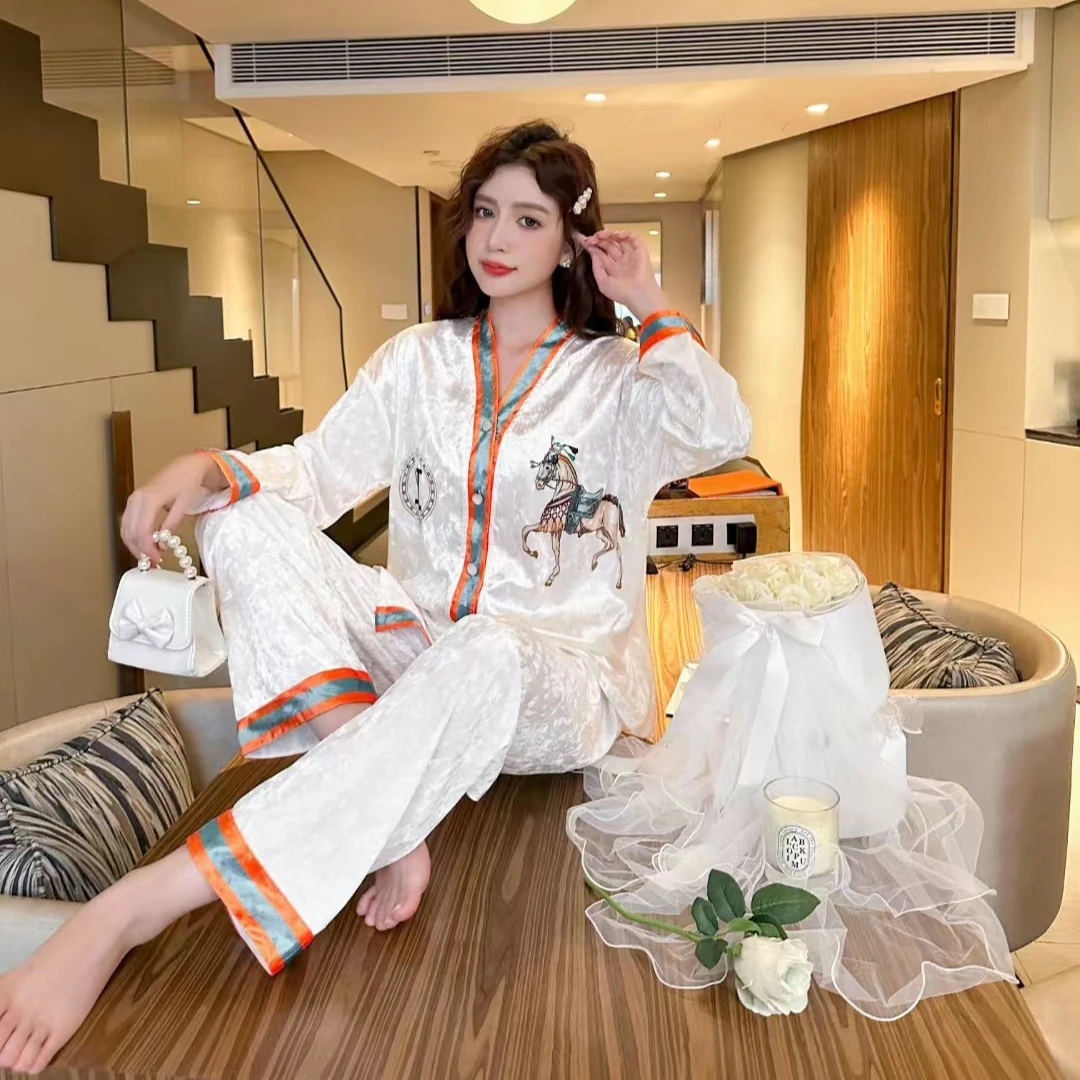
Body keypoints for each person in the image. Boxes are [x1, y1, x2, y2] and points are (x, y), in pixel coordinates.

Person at [0, 119, 750, 1073]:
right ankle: (391, 816)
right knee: (241, 517)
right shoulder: (418, 362)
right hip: (415, 651)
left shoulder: (616, 378)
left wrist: (645, 299)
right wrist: (205, 467)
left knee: (484, 646)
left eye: (529, 220)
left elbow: (721, 430)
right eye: (485, 212)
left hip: (555, 684)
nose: (496, 239)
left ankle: (129, 910)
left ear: (571, 241)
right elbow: (318, 471)